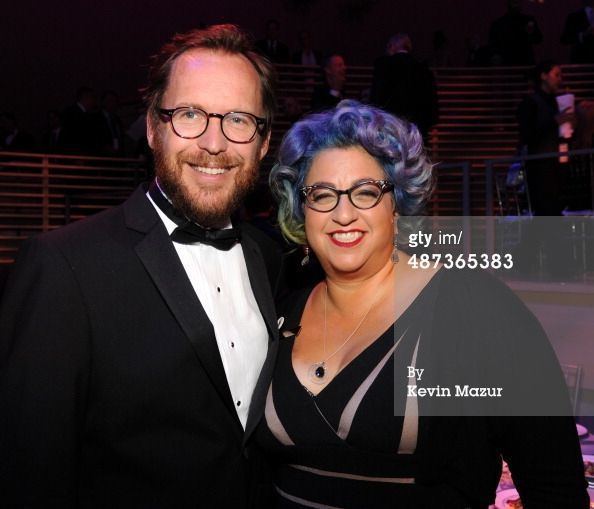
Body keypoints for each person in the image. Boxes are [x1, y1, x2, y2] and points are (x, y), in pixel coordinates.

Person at [0, 24, 283, 507]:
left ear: (262, 141)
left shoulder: (271, 259)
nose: (213, 143)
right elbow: (28, 471)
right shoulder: (64, 266)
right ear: (153, 127)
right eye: (190, 114)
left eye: (237, 119)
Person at [258, 100, 588, 508]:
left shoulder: (477, 309)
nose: (343, 214)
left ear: (396, 205)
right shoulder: (280, 304)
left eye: (365, 192)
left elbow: (556, 488)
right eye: (323, 195)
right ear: (302, 209)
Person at [517, 60, 574, 216]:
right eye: (556, 75)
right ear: (543, 76)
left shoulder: (555, 102)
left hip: (555, 166)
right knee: (546, 212)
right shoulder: (530, 103)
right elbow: (528, 135)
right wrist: (555, 122)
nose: (560, 79)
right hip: (540, 169)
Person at [370, 34, 438, 141]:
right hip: (417, 133)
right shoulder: (423, 69)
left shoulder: (383, 66)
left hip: (389, 132)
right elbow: (432, 109)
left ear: (392, 46)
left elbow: (375, 100)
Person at [488, 0, 542, 66]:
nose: (516, 5)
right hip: (508, 61)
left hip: (525, 61)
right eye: (514, 2)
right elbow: (492, 44)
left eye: (517, 2)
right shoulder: (498, 24)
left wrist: (531, 32)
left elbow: (538, 39)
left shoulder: (528, 20)